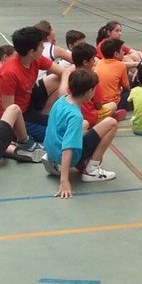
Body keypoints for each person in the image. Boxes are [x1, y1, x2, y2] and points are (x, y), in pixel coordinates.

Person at [42, 69, 118, 199]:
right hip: (65, 155)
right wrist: (64, 181)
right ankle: (92, 171)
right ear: (89, 91)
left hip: (51, 150)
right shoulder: (75, 116)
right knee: (111, 123)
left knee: (85, 123)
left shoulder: (61, 100)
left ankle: (55, 161)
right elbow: (68, 148)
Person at [0, 26, 65, 142]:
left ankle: (44, 115)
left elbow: (63, 72)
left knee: (59, 79)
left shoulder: (36, 59)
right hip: (19, 116)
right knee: (58, 134)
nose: (43, 47)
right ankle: (20, 136)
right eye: (41, 46)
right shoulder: (10, 72)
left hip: (29, 102)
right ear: (31, 51)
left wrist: (64, 90)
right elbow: (8, 109)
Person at [61, 42, 122, 140]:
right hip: (89, 117)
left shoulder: (71, 76)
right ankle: (104, 120)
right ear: (85, 62)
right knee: (113, 105)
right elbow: (98, 105)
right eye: (93, 59)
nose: (95, 61)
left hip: (72, 115)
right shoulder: (91, 78)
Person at [94, 39, 130, 121]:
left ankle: (109, 113)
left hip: (98, 103)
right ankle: (113, 113)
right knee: (130, 93)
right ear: (116, 54)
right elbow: (126, 87)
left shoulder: (99, 62)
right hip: (114, 102)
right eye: (122, 50)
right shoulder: (121, 66)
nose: (124, 52)